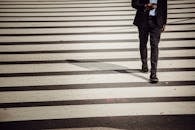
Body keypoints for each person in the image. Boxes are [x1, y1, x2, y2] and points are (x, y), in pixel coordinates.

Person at [132, 0, 167, 83]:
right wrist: (145, 6)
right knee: (143, 43)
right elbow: (134, 3)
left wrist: (164, 22)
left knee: (154, 46)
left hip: (157, 22)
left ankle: (153, 74)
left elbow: (164, 7)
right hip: (143, 20)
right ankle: (144, 63)